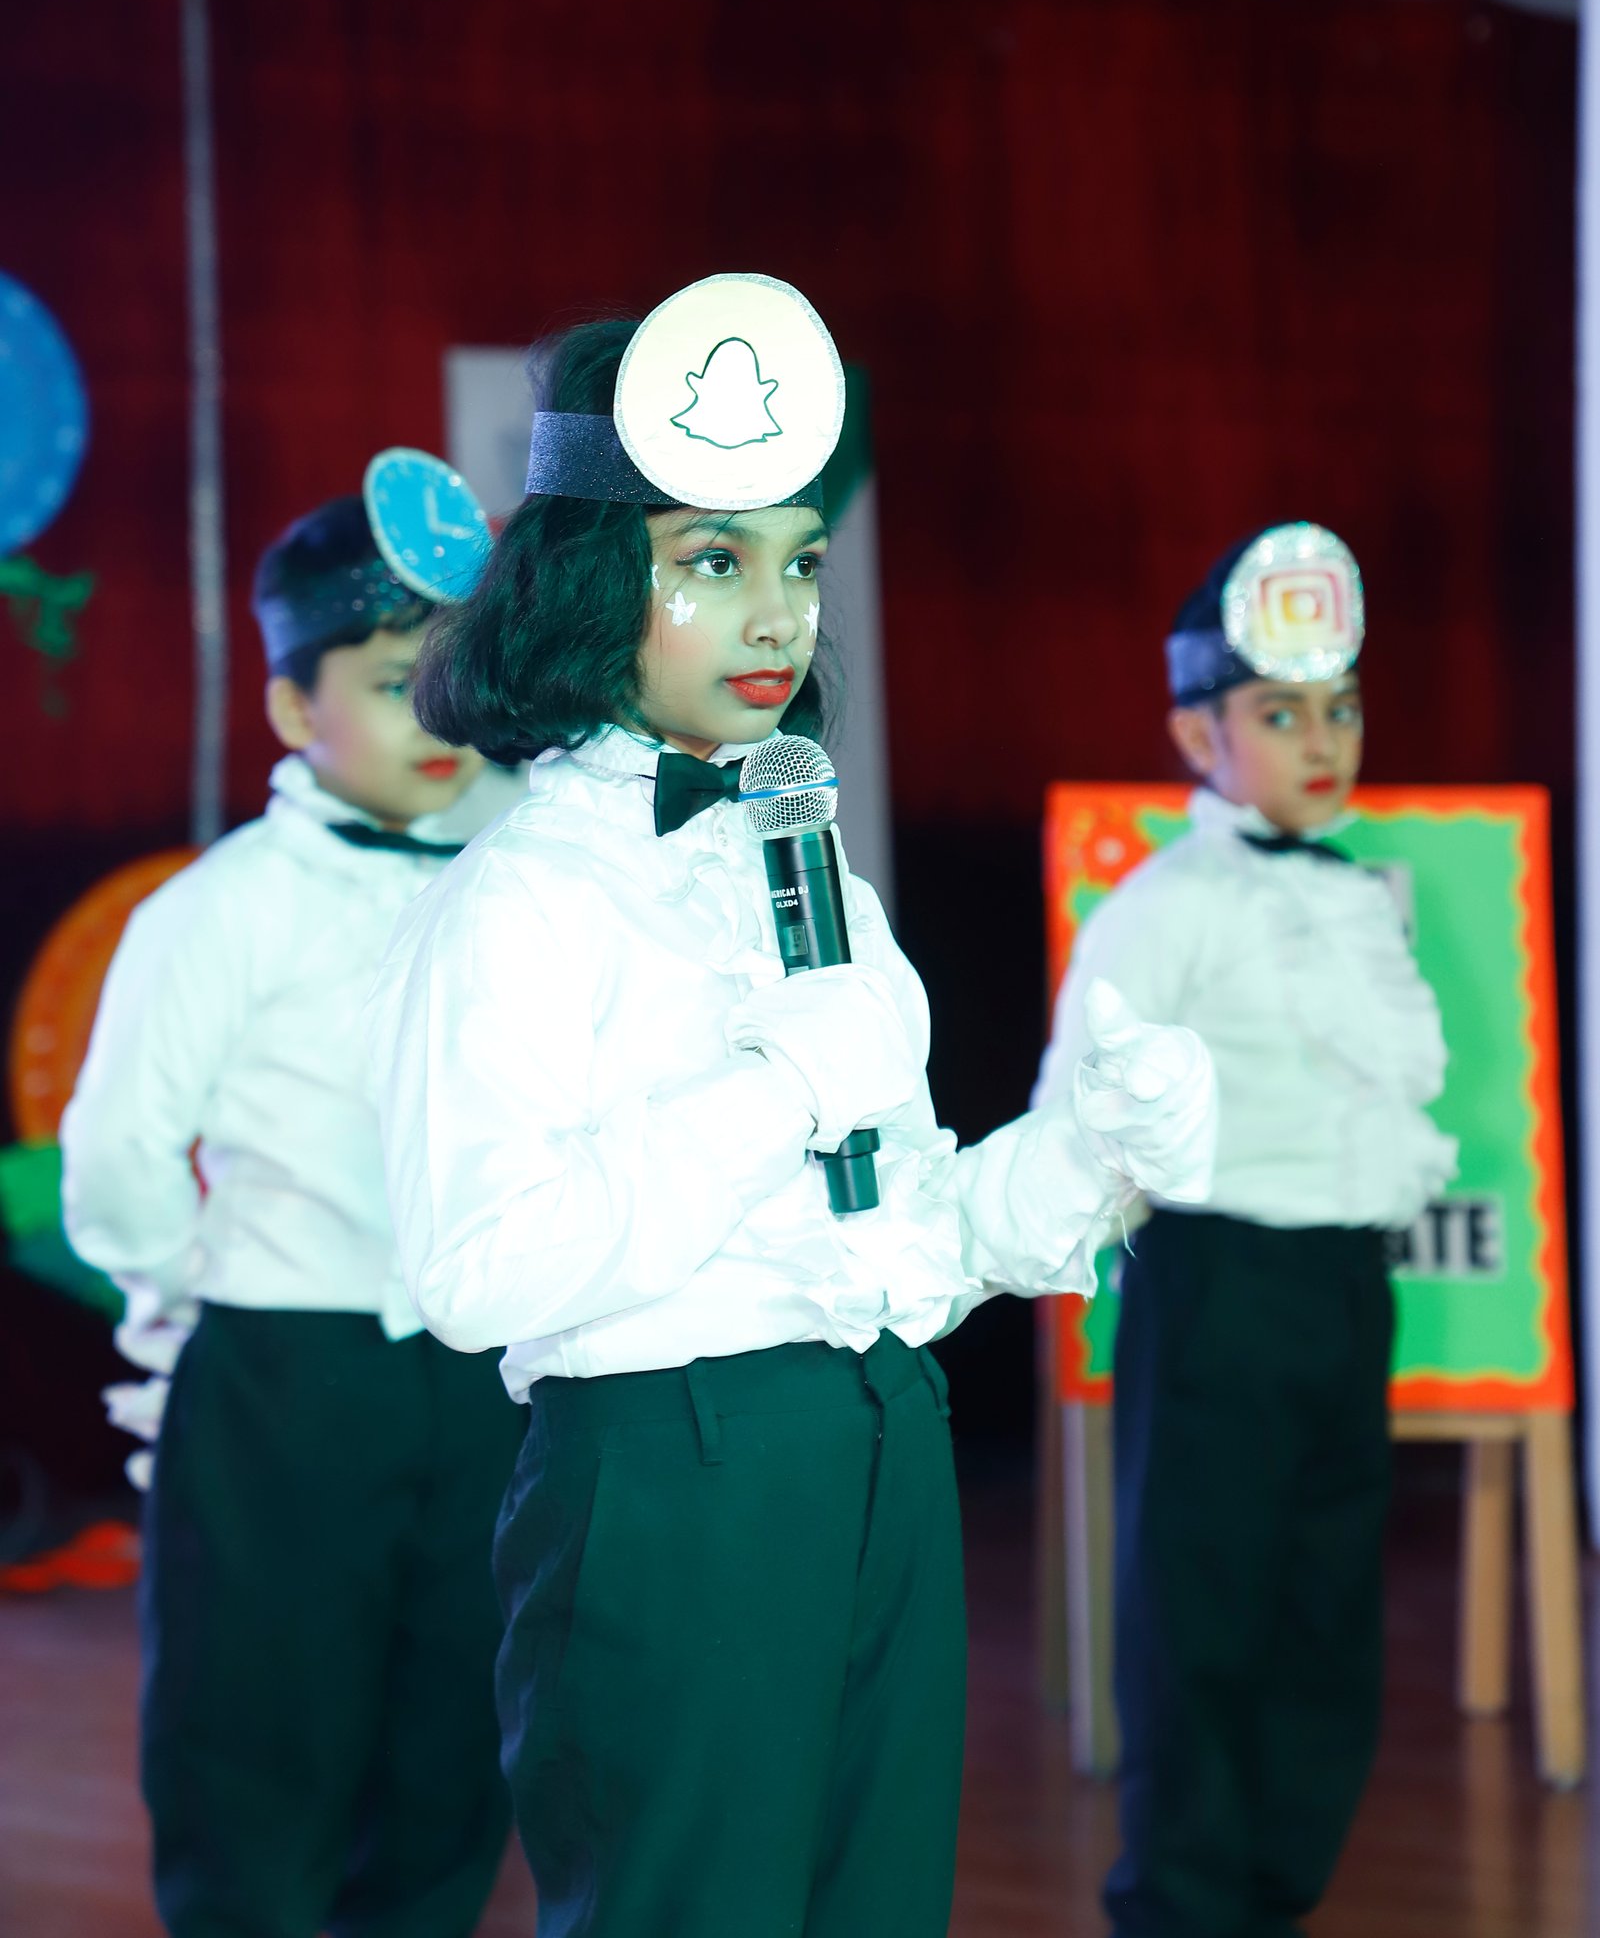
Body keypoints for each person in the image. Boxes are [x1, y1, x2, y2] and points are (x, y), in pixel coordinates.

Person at [367, 274, 1219, 1938]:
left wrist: (1087, 1156)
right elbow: (477, 1268)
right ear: (592, 579)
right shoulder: (517, 900)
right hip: (671, 1477)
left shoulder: (809, 864)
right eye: (713, 562)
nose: (776, 618)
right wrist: (775, 1093)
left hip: (885, 1438)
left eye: (800, 562)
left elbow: (897, 1238)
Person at [62, 461, 526, 1938]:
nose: (438, 719)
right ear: (287, 707)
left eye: (456, 680)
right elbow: (116, 1155)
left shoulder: (531, 877)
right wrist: (188, 1292)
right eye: (394, 684)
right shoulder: (220, 907)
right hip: (282, 1376)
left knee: (456, 1743)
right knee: (256, 1740)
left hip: (491, 1372)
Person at [1035, 521, 1457, 1938]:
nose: (1321, 741)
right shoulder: (1166, 908)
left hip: (1341, 1285)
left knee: (1325, 1600)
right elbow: (1079, 1103)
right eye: (1280, 714)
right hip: (1218, 1282)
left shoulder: (1353, 895)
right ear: (1195, 733)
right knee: (1200, 1606)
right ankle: (1182, 1899)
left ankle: (1277, 1887)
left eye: (1340, 707)